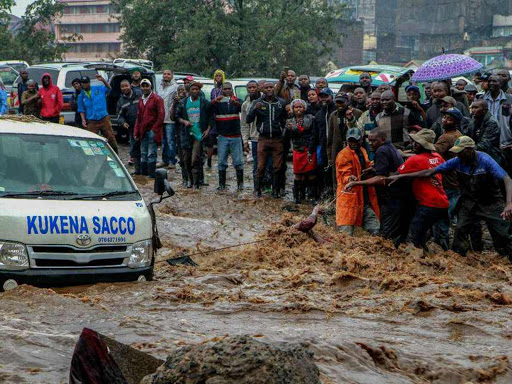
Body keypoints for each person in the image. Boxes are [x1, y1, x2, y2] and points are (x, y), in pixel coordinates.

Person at [392, 136, 512, 259]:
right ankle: (459, 260)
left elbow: (507, 179)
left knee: (503, 234)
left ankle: (506, 259)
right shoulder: (457, 161)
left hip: (491, 203)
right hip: (469, 202)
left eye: (460, 152)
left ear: (469, 150)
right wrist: (401, 176)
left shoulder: (485, 160)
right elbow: (429, 172)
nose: (458, 155)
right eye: (457, 152)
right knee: (460, 230)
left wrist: (509, 203)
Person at [345, 129, 409, 247]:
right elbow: (388, 169)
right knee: (396, 235)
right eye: (369, 141)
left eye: (374, 141)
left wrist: (357, 183)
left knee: (385, 238)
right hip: (400, 197)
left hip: (390, 198)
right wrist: (374, 169)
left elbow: (381, 179)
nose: (371, 144)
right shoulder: (391, 147)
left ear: (382, 140)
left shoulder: (381, 151)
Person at [394, 129, 450, 251]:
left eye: (416, 143)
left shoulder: (414, 160)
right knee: (434, 238)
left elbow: (396, 175)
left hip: (427, 204)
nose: (413, 145)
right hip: (443, 203)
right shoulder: (437, 157)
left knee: (413, 239)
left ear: (424, 145)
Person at [335, 128, 380, 235]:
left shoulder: (363, 151)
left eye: (355, 141)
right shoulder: (343, 154)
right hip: (348, 199)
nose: (353, 143)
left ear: (360, 140)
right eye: (350, 141)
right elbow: (344, 174)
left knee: (376, 230)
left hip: (363, 198)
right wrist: (350, 178)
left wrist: (372, 168)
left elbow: (367, 164)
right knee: (345, 235)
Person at [246, 81, 287, 197]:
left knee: (277, 167)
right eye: (266, 88)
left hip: (277, 138)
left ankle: (276, 191)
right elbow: (248, 120)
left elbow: (286, 118)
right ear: (262, 90)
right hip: (263, 138)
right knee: (260, 166)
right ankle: (257, 190)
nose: (269, 89)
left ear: (274, 89)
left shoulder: (281, 103)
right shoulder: (257, 102)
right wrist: (254, 109)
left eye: (271, 87)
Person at [176, 81, 213, 189]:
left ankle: (197, 182)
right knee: (186, 158)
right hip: (186, 134)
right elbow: (177, 117)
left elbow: (211, 117)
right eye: (193, 89)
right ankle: (189, 180)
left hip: (199, 134)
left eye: (197, 89)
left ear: (199, 91)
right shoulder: (183, 102)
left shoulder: (205, 102)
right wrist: (184, 122)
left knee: (195, 158)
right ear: (189, 91)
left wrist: (208, 130)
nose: (195, 91)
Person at [211, 82, 244, 191]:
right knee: (221, 162)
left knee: (238, 161)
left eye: (229, 89)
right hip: (222, 136)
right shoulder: (218, 102)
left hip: (235, 136)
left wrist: (235, 103)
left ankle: (240, 185)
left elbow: (243, 109)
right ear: (222, 90)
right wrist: (215, 101)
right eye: (225, 89)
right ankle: (222, 185)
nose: (227, 91)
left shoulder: (238, 101)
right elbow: (207, 108)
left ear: (232, 90)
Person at [434, 108, 463, 224]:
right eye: (444, 117)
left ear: (455, 122)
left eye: (449, 119)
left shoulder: (446, 138)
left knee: (444, 212)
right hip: (457, 177)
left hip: (449, 178)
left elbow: (433, 152)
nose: (444, 120)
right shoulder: (458, 134)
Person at [286, 99, 317, 204]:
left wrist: (311, 149)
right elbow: (285, 137)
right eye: (296, 107)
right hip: (297, 150)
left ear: (304, 108)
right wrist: (289, 130)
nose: (298, 109)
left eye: (300, 107)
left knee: (311, 173)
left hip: (309, 149)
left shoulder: (311, 119)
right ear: (293, 109)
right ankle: (298, 196)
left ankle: (312, 196)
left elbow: (314, 135)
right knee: (298, 174)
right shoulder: (289, 121)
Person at [241, 80, 270, 191]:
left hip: (268, 137)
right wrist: (244, 141)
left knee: (269, 165)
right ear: (247, 89)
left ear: (258, 88)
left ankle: (268, 188)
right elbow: (244, 124)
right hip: (254, 138)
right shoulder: (245, 105)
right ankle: (257, 189)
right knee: (257, 165)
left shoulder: (267, 100)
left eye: (254, 87)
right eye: (250, 87)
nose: (252, 89)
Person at [78, 75, 118, 153]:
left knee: (110, 137)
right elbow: (81, 109)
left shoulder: (98, 88)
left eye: (86, 82)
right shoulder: (81, 96)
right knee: (91, 140)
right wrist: (83, 120)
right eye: (83, 83)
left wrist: (103, 80)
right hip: (91, 119)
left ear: (89, 83)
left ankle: (115, 154)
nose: (84, 84)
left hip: (103, 117)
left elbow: (109, 89)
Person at [133, 79, 165, 178]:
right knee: (143, 152)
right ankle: (144, 172)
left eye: (147, 86)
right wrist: (136, 131)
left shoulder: (157, 99)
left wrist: (154, 129)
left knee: (152, 152)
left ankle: (151, 173)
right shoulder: (141, 100)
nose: (145, 88)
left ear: (150, 87)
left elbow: (161, 115)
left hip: (152, 130)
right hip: (143, 130)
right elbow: (139, 117)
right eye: (143, 86)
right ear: (140, 87)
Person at [327, 93, 360, 181]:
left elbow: (360, 131)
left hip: (353, 148)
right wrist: (329, 156)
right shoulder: (333, 115)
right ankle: (337, 192)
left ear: (347, 101)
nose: (340, 104)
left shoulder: (357, 113)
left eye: (342, 102)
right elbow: (330, 136)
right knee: (337, 172)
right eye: (337, 102)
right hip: (337, 148)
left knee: (352, 171)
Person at [483, 75, 512, 173]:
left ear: (501, 84)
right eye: (489, 81)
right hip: (486, 141)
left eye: (494, 81)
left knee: (505, 171)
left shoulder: (509, 99)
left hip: (505, 143)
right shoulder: (482, 99)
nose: (491, 83)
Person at [465, 99, 502, 165]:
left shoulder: (492, 122)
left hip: (491, 156)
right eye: (472, 107)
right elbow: (467, 135)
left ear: (484, 109)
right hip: (475, 152)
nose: (473, 110)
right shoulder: (474, 118)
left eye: (476, 108)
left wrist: (467, 150)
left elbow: (485, 144)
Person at [314, 87, 337, 195]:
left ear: (331, 97)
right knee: (322, 169)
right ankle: (323, 193)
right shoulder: (319, 114)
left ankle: (335, 192)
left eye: (326, 96)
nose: (324, 99)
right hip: (322, 146)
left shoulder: (336, 111)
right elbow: (315, 132)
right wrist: (311, 149)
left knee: (335, 169)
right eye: (321, 97)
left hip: (335, 145)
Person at [117, 79, 141, 174]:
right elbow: (120, 116)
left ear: (130, 86)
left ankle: (147, 170)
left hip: (143, 125)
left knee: (146, 148)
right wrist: (123, 122)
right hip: (132, 128)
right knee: (134, 148)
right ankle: (137, 170)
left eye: (126, 86)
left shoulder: (139, 94)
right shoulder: (121, 101)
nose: (125, 88)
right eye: (122, 86)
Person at [157, 69, 179, 169]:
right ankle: (164, 160)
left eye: (168, 74)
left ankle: (172, 160)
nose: (166, 76)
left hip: (170, 118)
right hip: (161, 117)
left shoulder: (175, 87)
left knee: (170, 140)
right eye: (164, 74)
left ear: (172, 75)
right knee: (163, 140)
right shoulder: (160, 86)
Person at [170, 85, 190, 186]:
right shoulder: (177, 103)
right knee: (181, 157)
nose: (181, 92)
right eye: (179, 91)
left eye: (183, 90)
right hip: (179, 132)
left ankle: (194, 179)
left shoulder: (189, 101)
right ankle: (184, 179)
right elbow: (172, 117)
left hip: (190, 132)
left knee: (191, 157)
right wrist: (174, 103)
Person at [357, 91, 382, 158]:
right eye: (373, 99)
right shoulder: (365, 115)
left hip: (383, 148)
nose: (375, 101)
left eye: (377, 99)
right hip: (369, 148)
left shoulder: (385, 114)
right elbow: (359, 130)